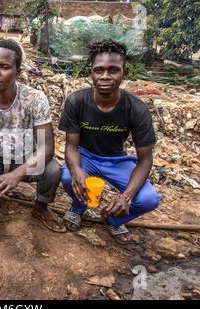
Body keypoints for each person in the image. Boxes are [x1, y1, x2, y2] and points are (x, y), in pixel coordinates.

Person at [59, 40, 161, 244]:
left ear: (125, 72)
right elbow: (71, 146)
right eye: (99, 70)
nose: (105, 76)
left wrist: (126, 197)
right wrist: (77, 170)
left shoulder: (137, 109)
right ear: (91, 73)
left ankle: (114, 218)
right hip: (85, 155)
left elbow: (145, 160)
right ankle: (78, 208)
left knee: (148, 199)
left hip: (117, 161)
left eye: (113, 70)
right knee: (70, 178)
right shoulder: (76, 101)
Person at [0, 39, 66, 233]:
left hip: (25, 158)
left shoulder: (35, 99)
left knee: (53, 170)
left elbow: (46, 147)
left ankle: (41, 207)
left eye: (4, 67)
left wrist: (16, 176)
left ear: (17, 72)